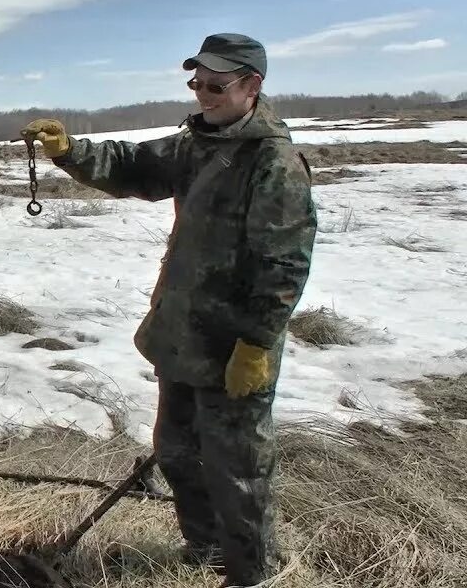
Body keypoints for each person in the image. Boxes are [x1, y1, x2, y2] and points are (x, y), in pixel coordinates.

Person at [19, 34, 317, 587]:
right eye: (196, 83)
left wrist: (255, 345)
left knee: (239, 471)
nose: (203, 94)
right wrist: (69, 150)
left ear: (252, 86)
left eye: (216, 84)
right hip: (183, 335)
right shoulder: (196, 144)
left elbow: (283, 265)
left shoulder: (271, 161)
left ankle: (253, 573)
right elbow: (134, 165)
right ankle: (205, 550)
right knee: (178, 453)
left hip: (234, 347)